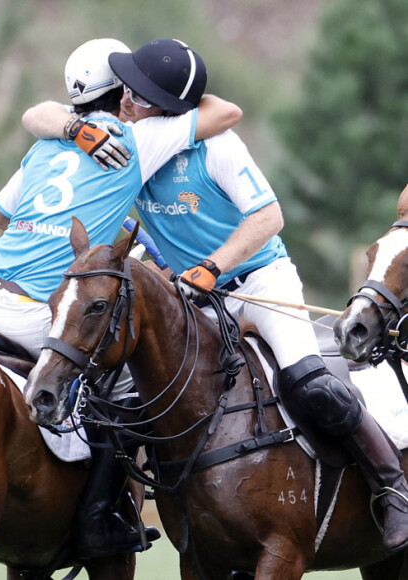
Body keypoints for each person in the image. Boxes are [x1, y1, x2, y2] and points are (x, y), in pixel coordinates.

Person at [25, 38, 408, 554]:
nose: (123, 100)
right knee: (134, 402)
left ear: (162, 105)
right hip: (196, 297)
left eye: (134, 93)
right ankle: (107, 516)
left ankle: (392, 487)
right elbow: (40, 115)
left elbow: (269, 218)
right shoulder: (127, 148)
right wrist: (76, 127)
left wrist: (213, 266)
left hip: (259, 282)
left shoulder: (218, 147)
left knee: (309, 382)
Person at [0, 38, 242, 559]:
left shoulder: (47, 145)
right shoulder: (139, 139)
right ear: (124, 94)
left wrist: (69, 134)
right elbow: (226, 111)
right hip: (36, 314)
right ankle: (102, 521)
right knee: (135, 384)